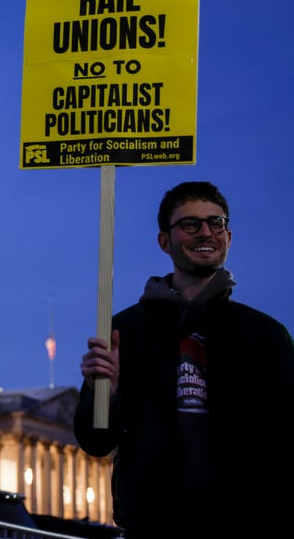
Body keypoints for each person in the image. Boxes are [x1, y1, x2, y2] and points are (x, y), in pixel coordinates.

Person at [74, 181, 294, 539]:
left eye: (216, 222)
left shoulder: (266, 335)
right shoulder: (124, 330)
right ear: (165, 241)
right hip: (153, 525)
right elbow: (95, 441)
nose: (205, 232)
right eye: (190, 224)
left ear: (229, 236)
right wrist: (107, 392)